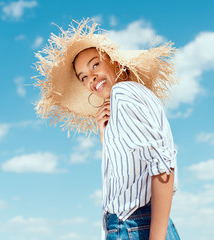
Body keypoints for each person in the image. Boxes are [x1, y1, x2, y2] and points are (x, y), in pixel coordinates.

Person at [33, 18, 180, 240]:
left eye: (95, 64)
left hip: (135, 226)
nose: (90, 77)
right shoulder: (130, 98)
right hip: (141, 225)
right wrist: (107, 138)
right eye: (83, 77)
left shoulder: (123, 93)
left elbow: (162, 165)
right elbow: (137, 168)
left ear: (114, 62)